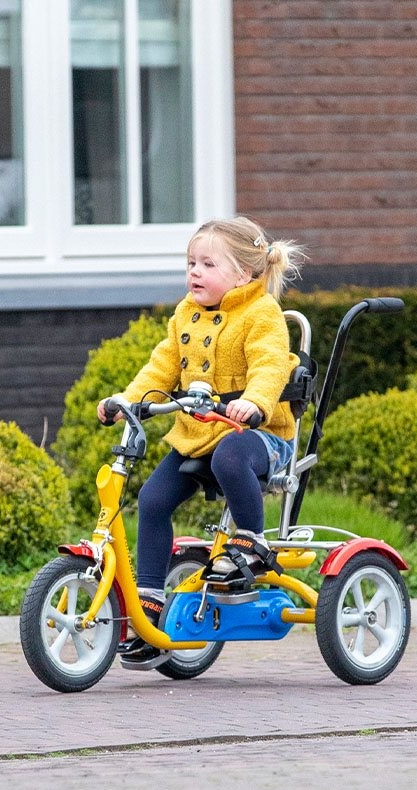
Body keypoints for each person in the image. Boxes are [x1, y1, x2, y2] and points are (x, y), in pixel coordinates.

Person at [97, 216, 307, 664]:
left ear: (244, 275)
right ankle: (151, 601)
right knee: (152, 500)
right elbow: (161, 367)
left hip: (259, 435)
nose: (195, 272)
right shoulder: (184, 315)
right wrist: (126, 400)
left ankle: (252, 541)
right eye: (191, 262)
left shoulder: (261, 313)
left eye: (208, 264)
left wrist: (253, 403)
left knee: (230, 457)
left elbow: (271, 366)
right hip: (199, 434)